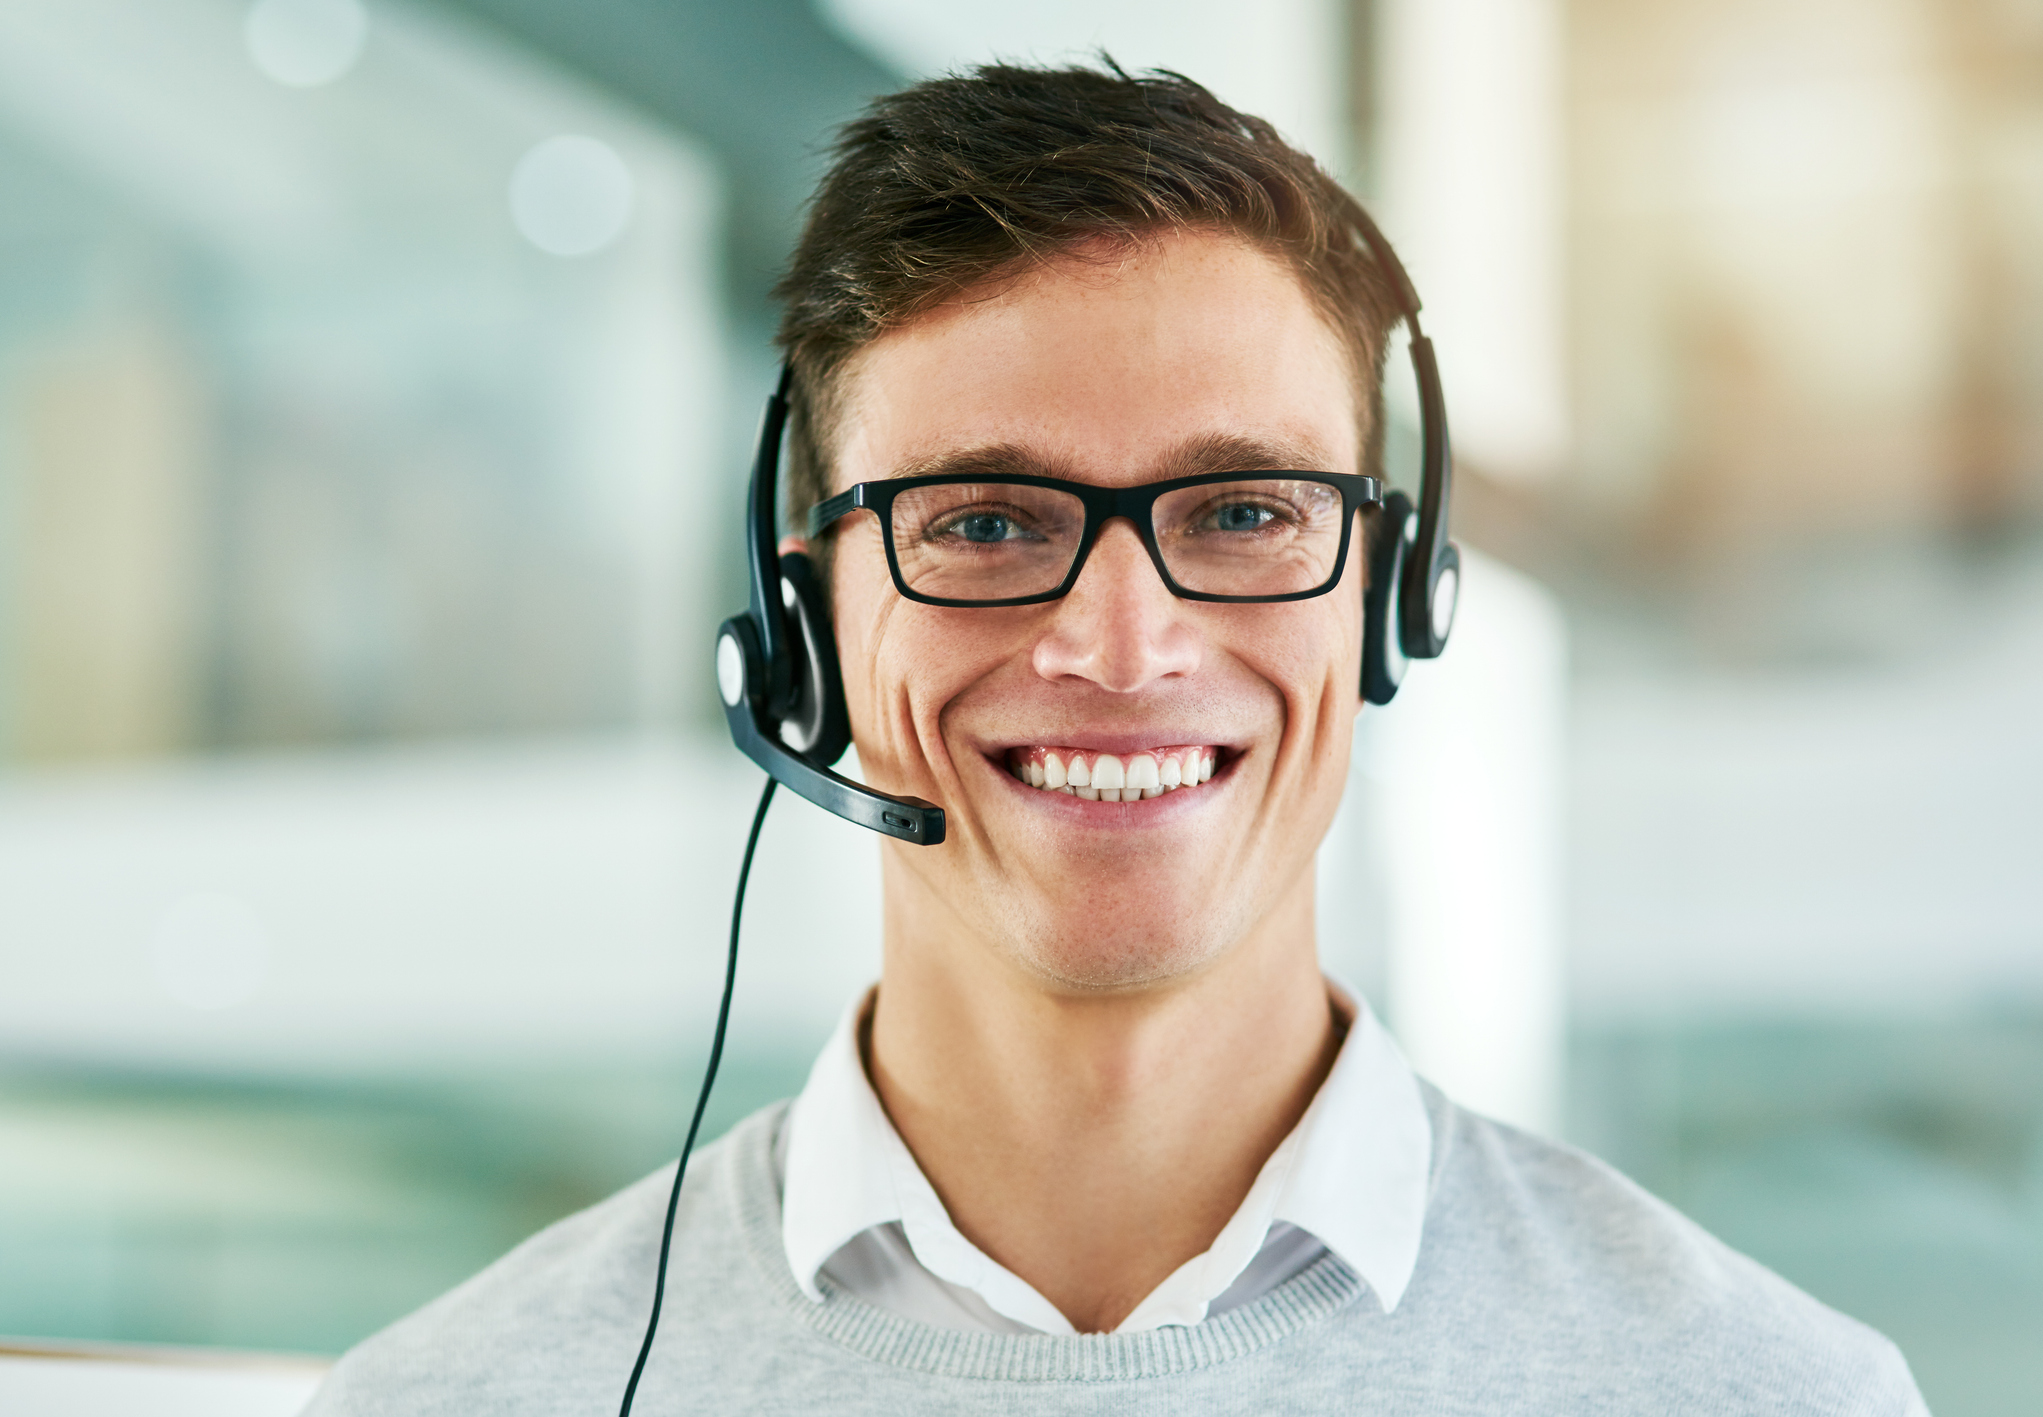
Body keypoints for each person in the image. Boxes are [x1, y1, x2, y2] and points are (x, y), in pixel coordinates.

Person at [303, 62, 1928, 1414]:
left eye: (1240, 510)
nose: (1122, 644)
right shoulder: (458, 1397)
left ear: (1390, 591)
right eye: (989, 520)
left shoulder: (1763, 1393)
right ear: (804, 619)